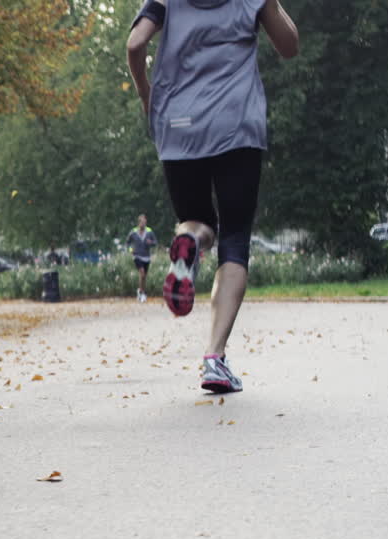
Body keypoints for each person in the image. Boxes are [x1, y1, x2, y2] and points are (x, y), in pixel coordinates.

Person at [127, 0, 298, 393]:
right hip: (235, 123)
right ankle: (214, 358)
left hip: (178, 123)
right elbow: (289, 46)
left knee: (198, 222)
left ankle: (188, 241)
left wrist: (145, 93)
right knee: (235, 237)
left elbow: (135, 44)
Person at [126, 214, 157, 302]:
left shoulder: (149, 231)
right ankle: (142, 293)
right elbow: (127, 242)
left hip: (146, 257)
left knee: (144, 277)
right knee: (142, 273)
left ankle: (140, 291)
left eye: (145, 223)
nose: (143, 224)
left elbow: (155, 242)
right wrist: (130, 249)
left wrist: (150, 242)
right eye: (142, 223)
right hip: (137, 256)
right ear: (139, 223)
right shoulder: (133, 232)